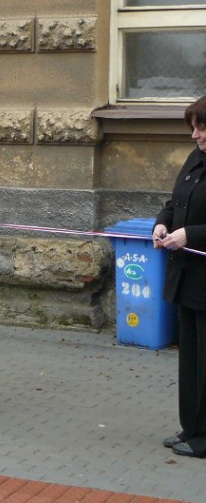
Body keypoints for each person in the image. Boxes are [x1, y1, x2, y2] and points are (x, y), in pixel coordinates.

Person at [153, 95, 206, 458]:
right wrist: (163, 222)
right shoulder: (195, 160)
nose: (194, 135)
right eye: (192, 127)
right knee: (191, 360)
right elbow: (176, 203)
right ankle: (192, 428)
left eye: (201, 127)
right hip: (187, 278)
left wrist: (193, 235)